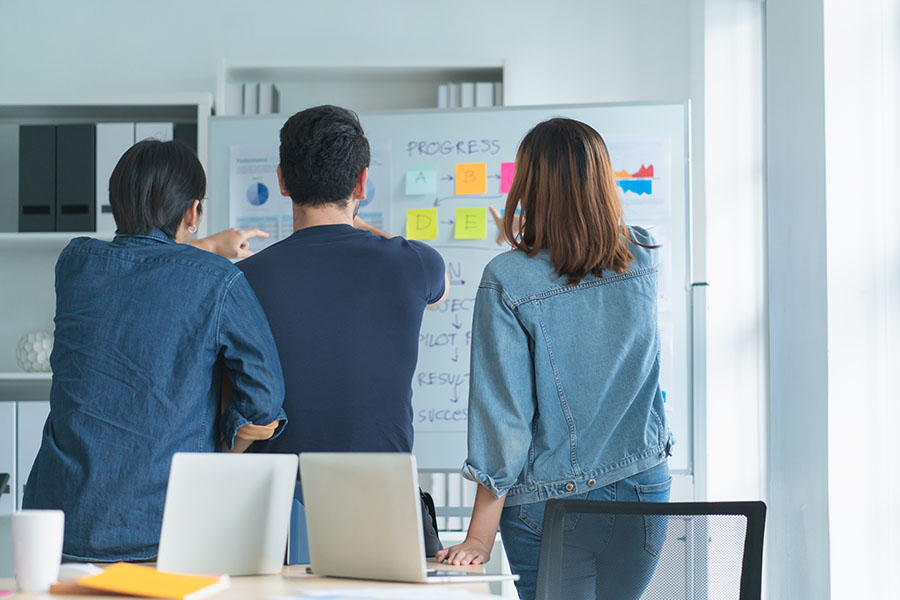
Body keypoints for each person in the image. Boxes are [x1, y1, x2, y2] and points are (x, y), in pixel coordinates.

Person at [436, 118, 673, 600]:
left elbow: (504, 418)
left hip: (553, 503)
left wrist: (480, 536)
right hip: (644, 488)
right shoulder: (644, 253)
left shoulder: (507, 279)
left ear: (529, 186)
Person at [23, 139, 287, 562]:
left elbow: (143, 266)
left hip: (60, 525)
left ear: (116, 200)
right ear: (192, 212)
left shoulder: (75, 262)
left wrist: (202, 247)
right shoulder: (219, 282)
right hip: (163, 531)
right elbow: (264, 400)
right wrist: (222, 446)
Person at [238, 105, 448, 554]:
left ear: (281, 180)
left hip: (274, 515)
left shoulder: (243, 279)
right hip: (384, 510)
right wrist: (363, 226)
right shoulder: (413, 263)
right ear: (362, 183)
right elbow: (442, 290)